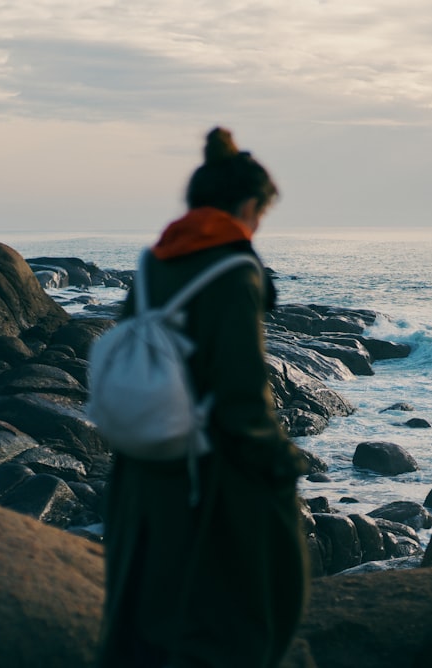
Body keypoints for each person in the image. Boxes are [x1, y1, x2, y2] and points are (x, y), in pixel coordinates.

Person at [98, 127, 310, 668]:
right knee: (241, 603)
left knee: (147, 609)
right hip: (205, 469)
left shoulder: (155, 261)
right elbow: (240, 395)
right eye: (261, 214)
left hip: (143, 460)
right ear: (247, 206)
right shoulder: (235, 270)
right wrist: (283, 461)